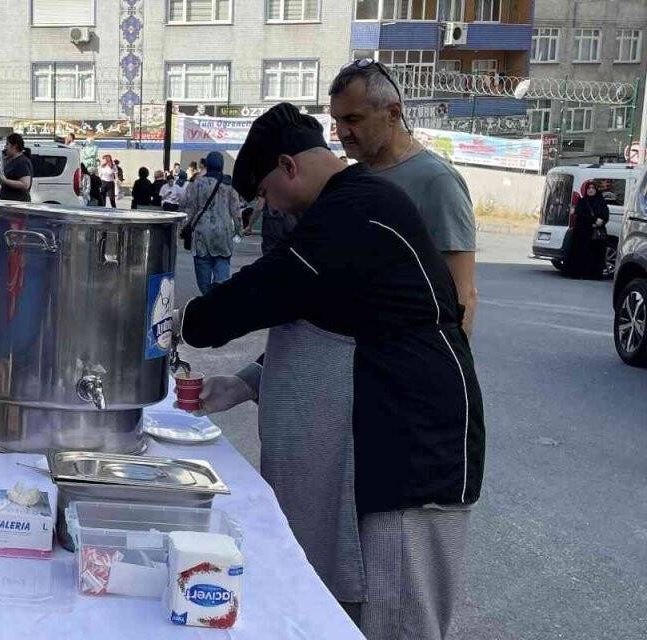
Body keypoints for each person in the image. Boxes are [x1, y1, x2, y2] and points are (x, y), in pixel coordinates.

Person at [177, 103, 484, 640]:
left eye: (268, 192)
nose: (272, 206)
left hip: (406, 459)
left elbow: (260, 294)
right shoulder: (352, 209)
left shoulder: (353, 212)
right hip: (381, 452)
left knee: (398, 622)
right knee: (352, 617)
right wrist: (249, 380)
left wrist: (176, 319)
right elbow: (331, 321)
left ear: (289, 166)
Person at [330, 60, 479, 335]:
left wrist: (445, 370)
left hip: (409, 363)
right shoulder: (355, 176)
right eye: (337, 120)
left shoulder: (437, 181)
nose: (341, 132)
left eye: (353, 119)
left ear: (393, 113)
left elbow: (462, 295)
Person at [181, 151, 245, 293]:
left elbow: (189, 208)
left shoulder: (196, 183)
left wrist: (184, 228)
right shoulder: (229, 185)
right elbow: (236, 211)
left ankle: (207, 301)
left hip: (201, 235)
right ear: (221, 165)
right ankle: (218, 303)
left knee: (203, 276)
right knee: (222, 274)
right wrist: (239, 231)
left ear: (207, 165)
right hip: (223, 235)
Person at [567, 182, 611, 277]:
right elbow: (580, 214)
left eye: (593, 188)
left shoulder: (601, 201)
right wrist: (595, 220)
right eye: (589, 188)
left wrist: (602, 221)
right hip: (583, 232)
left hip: (596, 234)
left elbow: (606, 215)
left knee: (596, 254)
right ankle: (579, 273)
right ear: (586, 190)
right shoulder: (582, 201)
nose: (591, 190)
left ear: (596, 190)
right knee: (581, 253)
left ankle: (593, 274)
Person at [0, 133, 33, 202]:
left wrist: (5, 181)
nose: (5, 147)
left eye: (7, 144)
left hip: (18, 205)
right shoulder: (12, 160)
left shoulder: (22, 162)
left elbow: (25, 184)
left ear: (14, 146)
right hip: (9, 203)